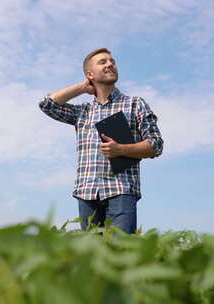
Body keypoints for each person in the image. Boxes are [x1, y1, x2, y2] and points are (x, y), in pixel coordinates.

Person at [38, 48, 163, 234]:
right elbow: (47, 104)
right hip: (86, 192)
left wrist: (121, 149)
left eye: (112, 61)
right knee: (92, 258)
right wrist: (82, 87)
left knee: (120, 252)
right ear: (90, 74)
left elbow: (156, 145)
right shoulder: (82, 111)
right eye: (102, 62)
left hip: (121, 190)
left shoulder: (135, 104)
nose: (110, 64)